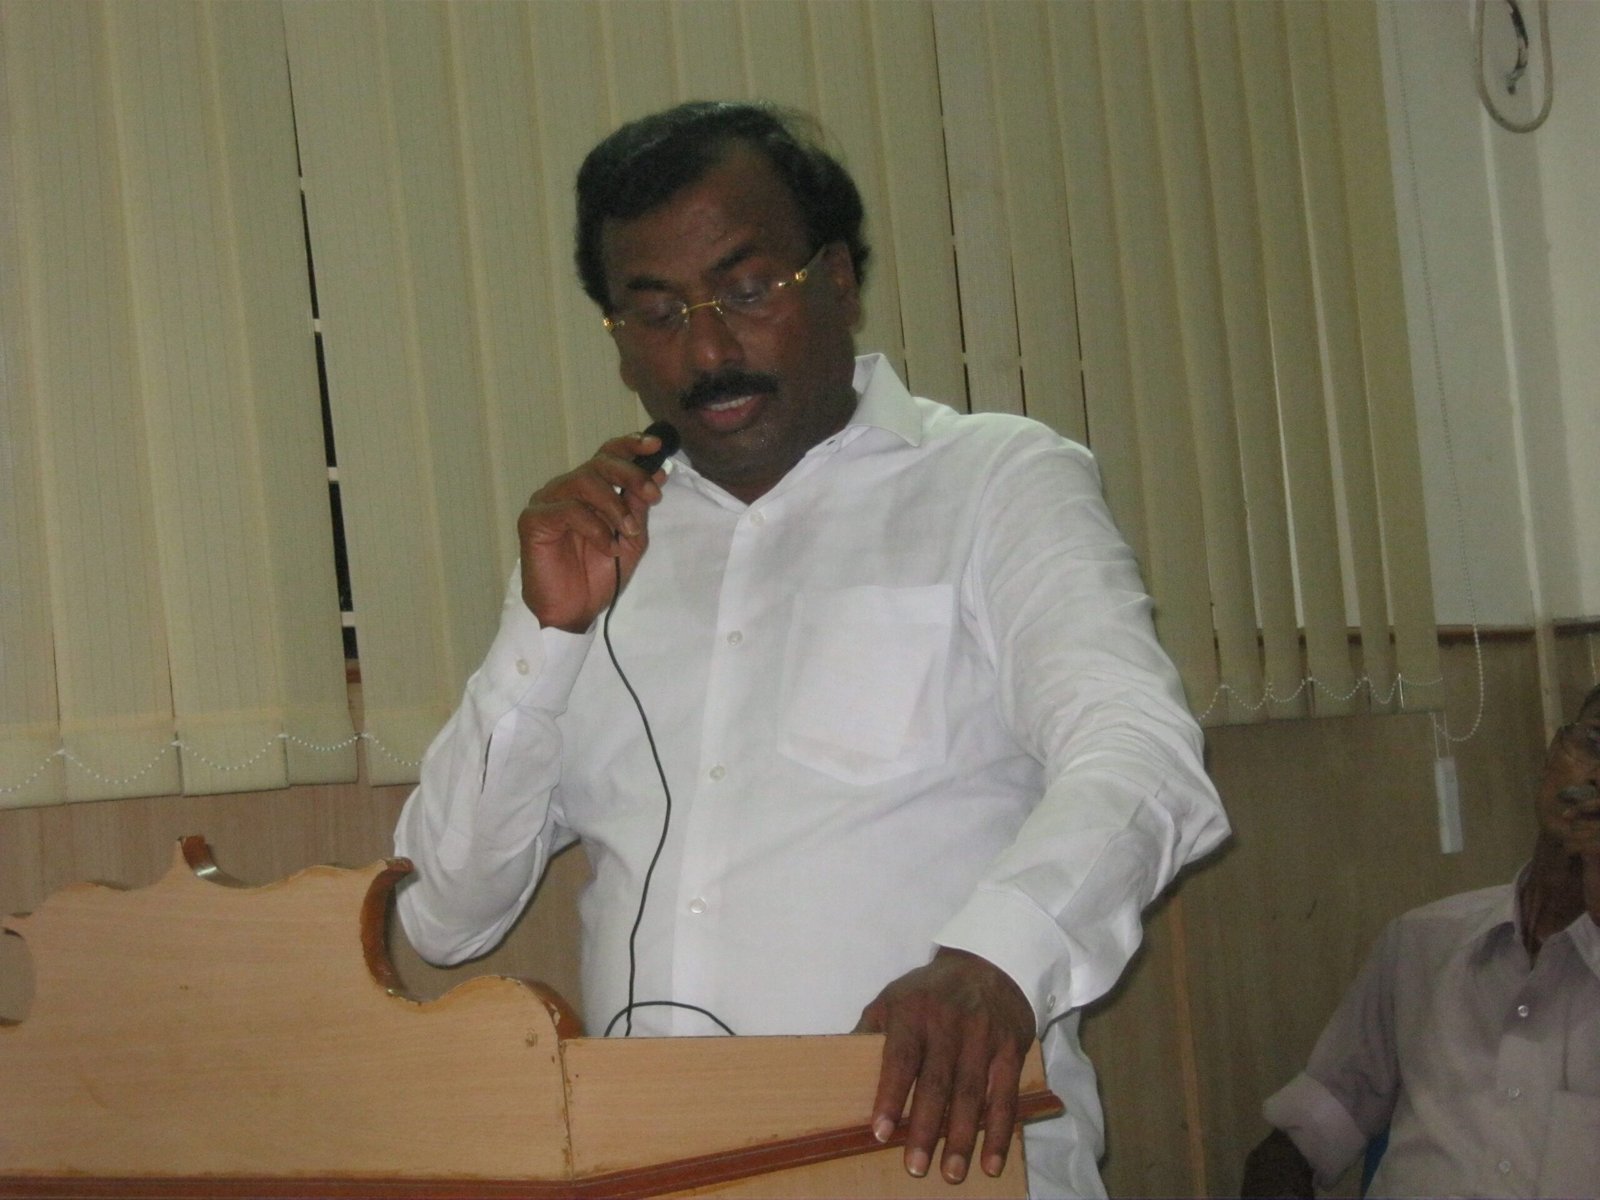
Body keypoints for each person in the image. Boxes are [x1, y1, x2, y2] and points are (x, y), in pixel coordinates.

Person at [394, 100, 1229, 1198]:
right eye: (656, 313)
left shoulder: (994, 482)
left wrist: (997, 961)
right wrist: (543, 634)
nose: (705, 350)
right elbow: (442, 914)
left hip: (937, 1161)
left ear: (836, 277)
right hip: (653, 1168)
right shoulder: (597, 545)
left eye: (747, 291)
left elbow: (1138, 756)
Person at [1241, 684, 1600, 1198]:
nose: (1595, 778)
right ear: (1553, 753)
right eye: (1593, 743)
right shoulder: (1424, 942)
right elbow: (1310, 1129)